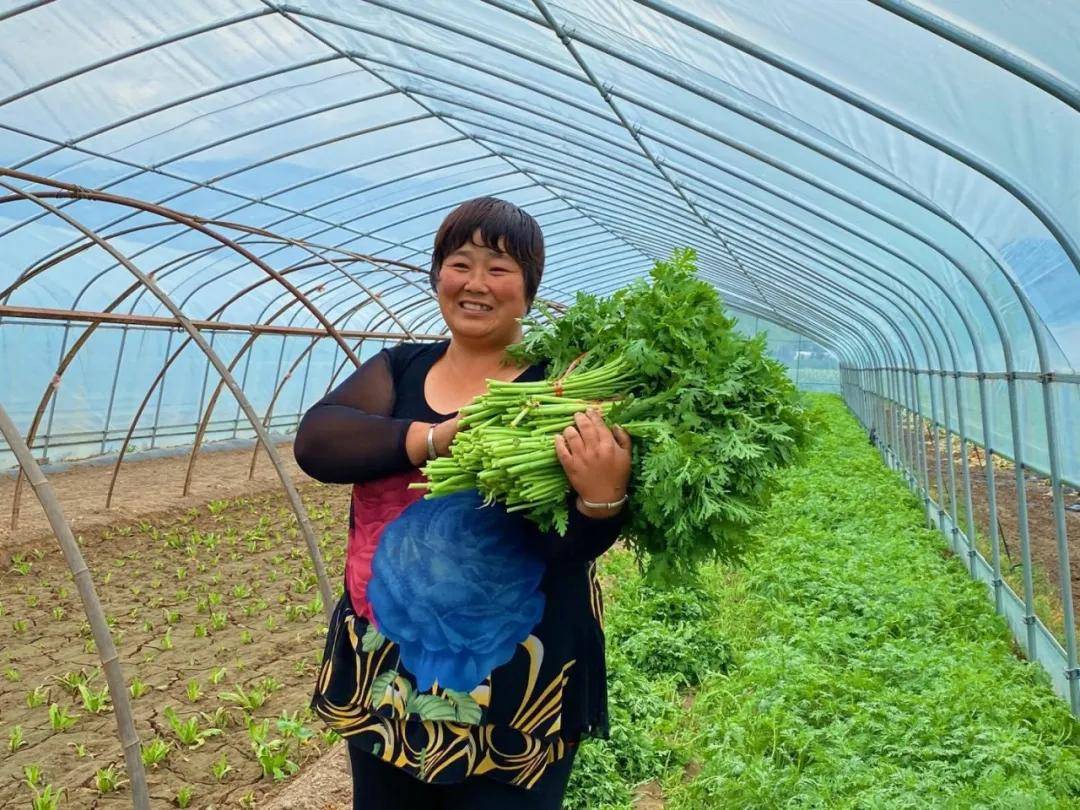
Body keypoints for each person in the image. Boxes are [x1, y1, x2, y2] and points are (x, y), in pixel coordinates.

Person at [293, 196, 632, 809]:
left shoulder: (562, 385)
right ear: (436, 276)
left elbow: (566, 550)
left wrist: (602, 501)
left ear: (529, 290)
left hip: (516, 677)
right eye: (460, 263)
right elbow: (318, 443)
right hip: (390, 674)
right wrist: (434, 437)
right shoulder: (399, 369)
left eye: (500, 268)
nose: (476, 283)